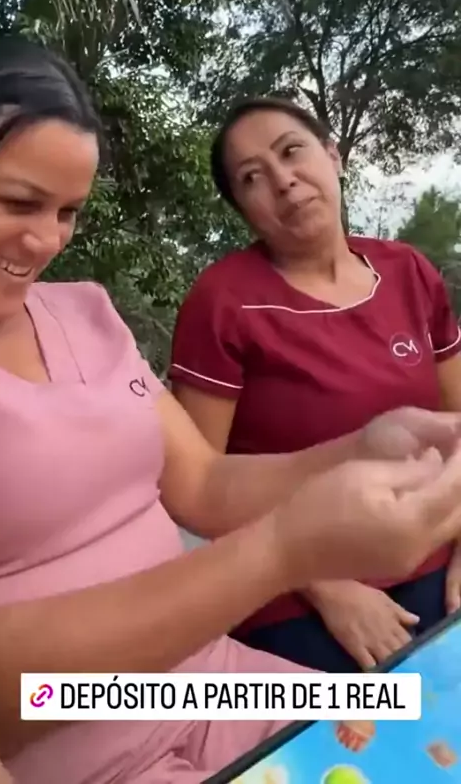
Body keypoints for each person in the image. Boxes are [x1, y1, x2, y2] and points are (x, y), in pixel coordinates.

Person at [0, 37, 461, 784]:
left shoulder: (85, 313)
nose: (46, 241)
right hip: (86, 753)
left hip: (213, 682)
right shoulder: (229, 298)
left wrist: (365, 447)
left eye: (68, 211)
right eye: (18, 203)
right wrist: (283, 552)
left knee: (433, 739)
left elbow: (203, 484)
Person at [169, 96, 461, 673]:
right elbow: (199, 486)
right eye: (252, 177)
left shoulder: (408, 272)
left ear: (333, 155)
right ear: (243, 208)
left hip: (433, 547)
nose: (283, 180)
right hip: (297, 590)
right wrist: (327, 587)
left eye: (292, 151)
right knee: (376, 722)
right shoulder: (223, 302)